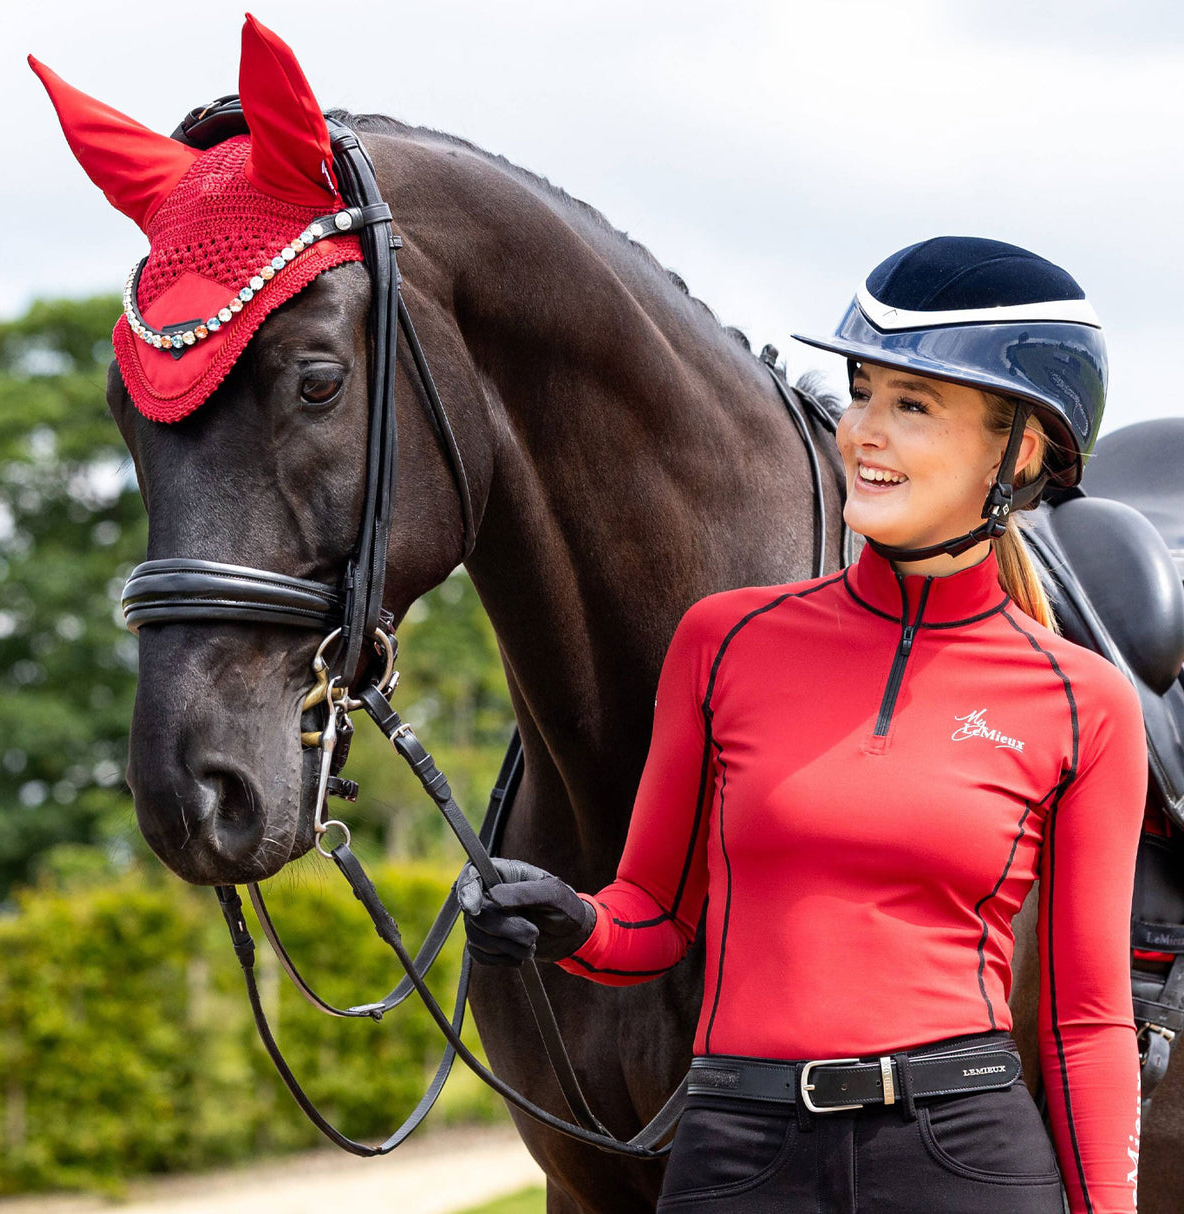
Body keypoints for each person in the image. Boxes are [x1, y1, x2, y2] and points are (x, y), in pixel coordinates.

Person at [457, 237, 1146, 1213]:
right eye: (860, 391)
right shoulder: (724, 642)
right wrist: (568, 920)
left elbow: (1083, 1020)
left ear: (1016, 449)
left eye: (909, 404)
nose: (861, 429)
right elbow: (651, 917)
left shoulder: (1082, 701)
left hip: (963, 1154)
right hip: (738, 1151)